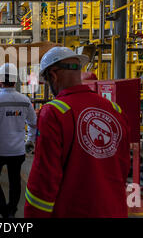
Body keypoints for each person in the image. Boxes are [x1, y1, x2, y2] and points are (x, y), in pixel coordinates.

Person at [24, 47, 131, 218]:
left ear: (53, 75)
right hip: (114, 209)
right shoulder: (115, 110)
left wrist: (34, 214)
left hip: (74, 210)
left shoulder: (54, 111)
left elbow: (44, 176)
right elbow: (124, 165)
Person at [0, 63, 37, 218]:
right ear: (15, 80)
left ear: (0, 80)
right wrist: (30, 140)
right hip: (17, 151)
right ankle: (12, 210)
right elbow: (33, 123)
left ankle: (3, 209)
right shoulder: (25, 100)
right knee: (15, 180)